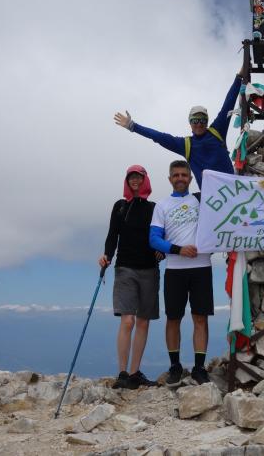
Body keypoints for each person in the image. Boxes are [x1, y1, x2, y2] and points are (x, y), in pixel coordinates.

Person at [113, 66, 246, 189]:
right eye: (195, 120)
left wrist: (239, 77)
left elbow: (228, 104)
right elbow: (158, 137)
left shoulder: (217, 131)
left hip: (233, 189)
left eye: (202, 120)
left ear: (207, 121)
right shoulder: (186, 145)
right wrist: (133, 126)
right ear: (190, 123)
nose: (199, 123)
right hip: (211, 200)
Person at [149, 160, 214, 385]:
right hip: (175, 269)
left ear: (190, 178)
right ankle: (175, 366)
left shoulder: (201, 200)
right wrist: (178, 250)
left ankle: (199, 368)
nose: (180, 178)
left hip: (202, 267)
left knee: (200, 318)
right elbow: (154, 239)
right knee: (173, 318)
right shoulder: (162, 205)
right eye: (175, 175)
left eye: (184, 175)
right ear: (169, 179)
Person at [98, 165, 162, 389]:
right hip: (125, 267)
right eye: (131, 177)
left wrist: (161, 252)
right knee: (128, 320)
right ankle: (123, 373)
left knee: (143, 322)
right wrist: (107, 255)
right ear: (127, 180)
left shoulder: (155, 208)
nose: (135, 181)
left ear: (145, 180)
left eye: (139, 177)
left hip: (149, 268)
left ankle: (134, 373)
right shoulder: (120, 206)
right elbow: (112, 235)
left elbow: (161, 235)